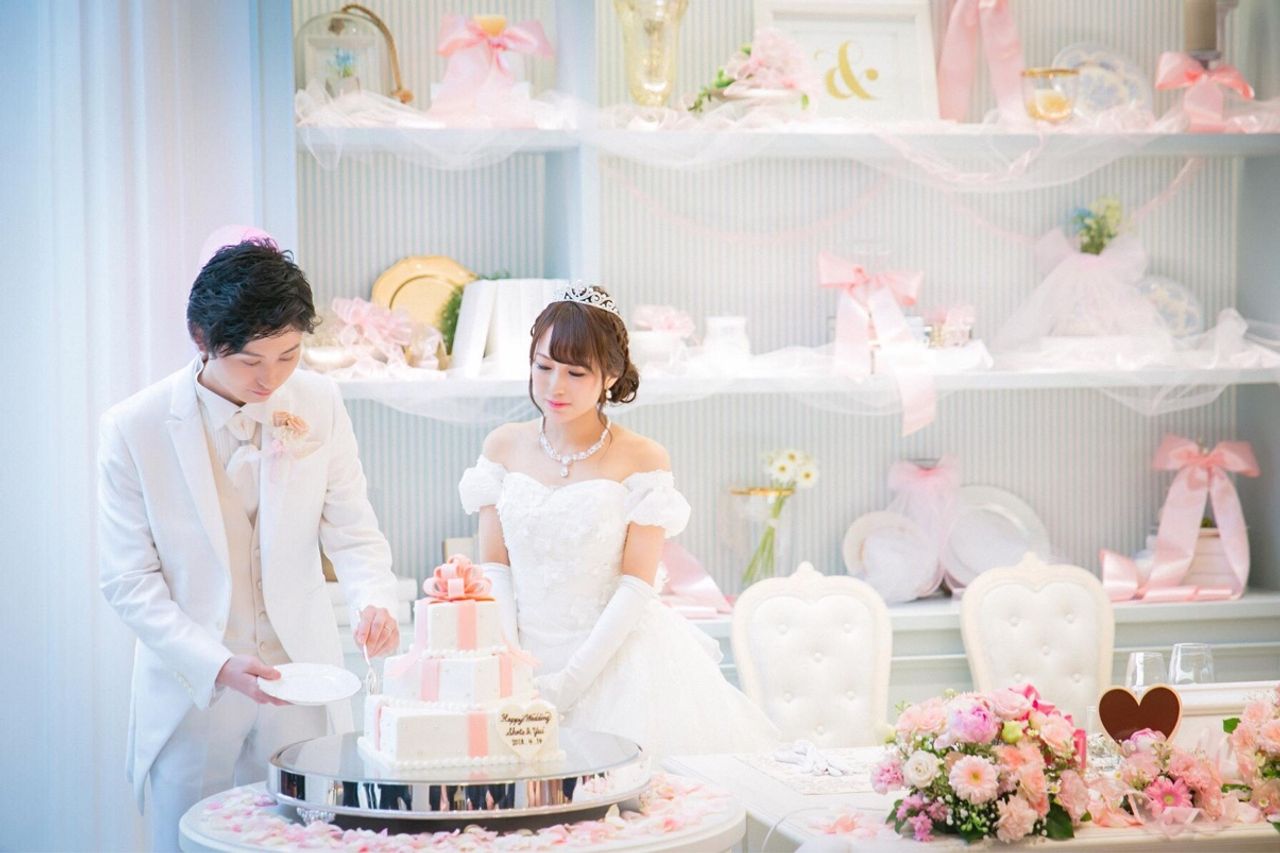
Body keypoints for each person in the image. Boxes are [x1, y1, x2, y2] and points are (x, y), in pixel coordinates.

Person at [98, 238, 401, 851]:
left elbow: (353, 528)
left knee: (308, 837)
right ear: (200, 338)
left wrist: (374, 599)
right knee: (190, 841)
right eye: (249, 361)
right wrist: (215, 663)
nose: (271, 378)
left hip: (304, 680)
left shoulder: (319, 402)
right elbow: (128, 582)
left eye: (289, 355)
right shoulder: (133, 428)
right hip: (193, 691)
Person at [458, 284, 778, 758]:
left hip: (617, 664)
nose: (554, 386)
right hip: (516, 658)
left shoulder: (642, 458)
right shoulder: (503, 446)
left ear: (609, 375)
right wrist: (512, 667)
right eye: (543, 367)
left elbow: (636, 584)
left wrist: (569, 684)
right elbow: (494, 567)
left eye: (575, 372)